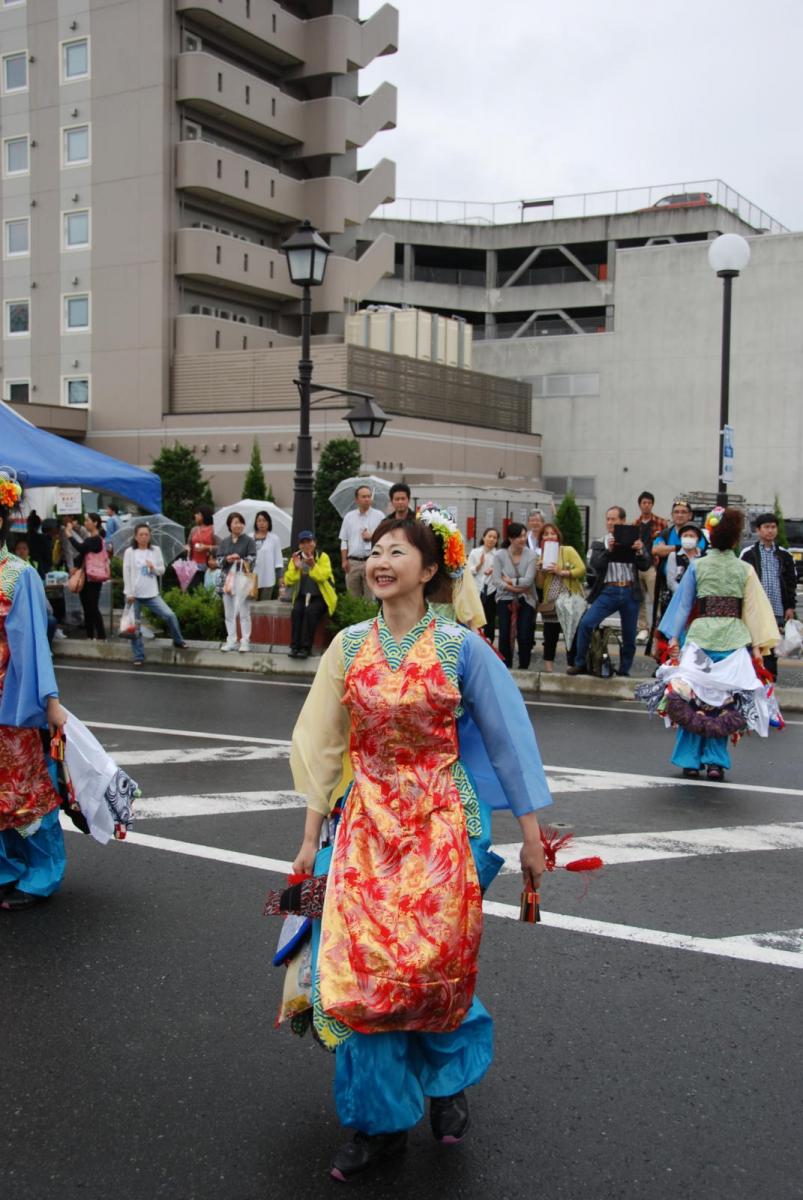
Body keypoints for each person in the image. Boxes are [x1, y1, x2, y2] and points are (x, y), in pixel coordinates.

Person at [288, 510, 550, 1182]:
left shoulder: (462, 648)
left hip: (444, 825)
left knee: (431, 966)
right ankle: (376, 1127)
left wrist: (530, 838)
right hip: (365, 826)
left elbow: (508, 741)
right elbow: (319, 745)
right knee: (363, 973)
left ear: (429, 570)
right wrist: (307, 839)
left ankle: (446, 1078)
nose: (379, 561)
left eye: (396, 551)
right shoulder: (346, 647)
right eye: (374, 550)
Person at [652, 507, 780, 781]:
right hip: (732, 638)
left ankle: (689, 759)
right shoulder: (744, 568)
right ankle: (715, 762)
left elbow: (684, 604)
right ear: (735, 542)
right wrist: (757, 647)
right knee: (725, 703)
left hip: (700, 638)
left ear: (709, 539)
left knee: (690, 697)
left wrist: (673, 637)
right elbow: (754, 611)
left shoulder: (698, 565)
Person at [0, 470, 68, 911]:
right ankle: (5, 870)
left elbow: (31, 644)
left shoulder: (16, 574)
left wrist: (49, 700)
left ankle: (39, 875)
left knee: (25, 788)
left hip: (8, 699)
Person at [568, 506, 650, 678]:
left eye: (614, 519)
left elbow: (645, 565)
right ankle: (580, 662)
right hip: (608, 590)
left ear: (623, 521)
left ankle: (624, 669)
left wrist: (640, 551)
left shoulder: (635, 540)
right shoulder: (600, 542)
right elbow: (595, 565)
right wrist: (609, 551)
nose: (610, 523)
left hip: (629, 591)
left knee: (629, 634)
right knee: (586, 623)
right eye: (608, 519)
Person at [740, 513, 798, 680]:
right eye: (766, 527)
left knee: (772, 644)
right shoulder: (748, 553)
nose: (770, 531)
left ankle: (769, 678)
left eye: (773, 527)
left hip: (777, 608)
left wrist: (790, 606)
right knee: (753, 642)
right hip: (754, 608)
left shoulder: (785, 555)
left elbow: (790, 582)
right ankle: (752, 678)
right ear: (758, 530)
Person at [123, 523, 187, 666]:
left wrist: (153, 568)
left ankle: (178, 640)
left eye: (146, 534)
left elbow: (162, 570)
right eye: (141, 534)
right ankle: (138, 655)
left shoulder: (155, 550)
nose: (144, 537)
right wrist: (129, 593)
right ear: (135, 536)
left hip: (151, 593)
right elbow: (126, 573)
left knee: (170, 615)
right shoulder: (130, 552)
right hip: (134, 594)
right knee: (135, 626)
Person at [535, 522, 586, 672]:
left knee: (571, 634)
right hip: (551, 602)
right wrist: (540, 571)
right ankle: (549, 668)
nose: (550, 536)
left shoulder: (567, 550)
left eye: (552, 533)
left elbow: (581, 569)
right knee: (549, 636)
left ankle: (571, 666)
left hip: (569, 600)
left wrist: (561, 571)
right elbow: (539, 585)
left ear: (558, 536)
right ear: (541, 539)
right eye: (546, 534)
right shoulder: (541, 556)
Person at [283, 531, 337, 658]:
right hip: (302, 595)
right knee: (296, 611)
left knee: (310, 612)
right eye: (303, 542)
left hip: (321, 596)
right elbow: (288, 580)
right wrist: (296, 568)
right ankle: (294, 647)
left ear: (314, 543)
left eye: (309, 541)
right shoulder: (296, 557)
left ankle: (306, 648)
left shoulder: (323, 557)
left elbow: (323, 576)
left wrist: (313, 565)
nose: (306, 545)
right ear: (299, 545)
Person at [493, 521, 538, 669]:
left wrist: (511, 581)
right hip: (504, 598)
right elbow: (496, 580)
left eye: (524, 535)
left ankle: (524, 666)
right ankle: (505, 667)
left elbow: (529, 580)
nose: (523, 539)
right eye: (519, 536)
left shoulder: (531, 555)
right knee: (504, 634)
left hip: (527, 598)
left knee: (524, 634)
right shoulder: (500, 555)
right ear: (511, 539)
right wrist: (514, 589)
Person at [214, 512, 256, 652]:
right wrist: (227, 559)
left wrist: (240, 559)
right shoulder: (224, 542)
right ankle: (231, 640)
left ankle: (245, 641)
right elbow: (218, 561)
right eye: (235, 522)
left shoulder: (249, 541)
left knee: (244, 613)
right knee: (229, 613)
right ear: (229, 525)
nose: (238, 525)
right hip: (227, 581)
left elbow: (253, 559)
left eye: (240, 522)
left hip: (242, 580)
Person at [633, 490, 668, 640]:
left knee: (656, 598)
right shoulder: (635, 524)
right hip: (638, 565)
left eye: (649, 503)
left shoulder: (661, 522)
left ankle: (658, 627)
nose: (646, 505)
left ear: (652, 504)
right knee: (639, 598)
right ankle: (643, 628)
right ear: (640, 505)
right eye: (644, 503)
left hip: (653, 565)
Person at [339, 486, 385, 598]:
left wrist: (372, 536)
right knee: (353, 597)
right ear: (357, 499)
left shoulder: (379, 516)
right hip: (353, 562)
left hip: (372, 560)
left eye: (369, 496)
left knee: (370, 598)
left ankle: (369, 616)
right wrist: (344, 560)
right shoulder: (349, 517)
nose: (367, 499)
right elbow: (344, 540)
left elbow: (385, 538)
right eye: (364, 497)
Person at [69, 513, 108, 641]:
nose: (85, 523)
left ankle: (101, 636)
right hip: (86, 577)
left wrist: (69, 533)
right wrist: (76, 566)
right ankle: (90, 635)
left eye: (87, 520)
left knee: (92, 606)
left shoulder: (96, 539)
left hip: (94, 578)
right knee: (86, 606)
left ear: (95, 523)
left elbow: (80, 548)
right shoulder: (90, 539)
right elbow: (81, 555)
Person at [467, 527, 499, 640]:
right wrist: (479, 565)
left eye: (494, 537)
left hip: (491, 590)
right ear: (484, 537)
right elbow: (468, 572)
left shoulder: (498, 555)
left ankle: (490, 642)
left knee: (490, 618)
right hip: (476, 590)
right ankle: (475, 640)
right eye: (489, 536)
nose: (491, 539)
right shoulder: (475, 552)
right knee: (475, 617)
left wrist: (494, 571)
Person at [666, 522, 705, 595]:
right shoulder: (674, 556)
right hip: (679, 596)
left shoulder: (703, 557)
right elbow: (671, 582)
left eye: (691, 536)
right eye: (685, 536)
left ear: (698, 539)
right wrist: (685, 593)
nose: (688, 538)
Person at [253, 510, 284, 601]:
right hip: (251, 578)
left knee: (264, 605)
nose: (262, 523)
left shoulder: (274, 538)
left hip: (268, 577)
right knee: (250, 606)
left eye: (264, 520)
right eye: (259, 520)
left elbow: (278, 559)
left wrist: (280, 576)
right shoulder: (249, 537)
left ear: (269, 523)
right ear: (256, 523)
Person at [186, 505, 217, 591]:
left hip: (209, 566)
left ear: (204, 515)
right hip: (194, 566)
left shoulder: (213, 529)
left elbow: (221, 547)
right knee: (194, 590)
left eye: (198, 514)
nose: (195, 516)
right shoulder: (194, 530)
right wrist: (187, 548)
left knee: (208, 591)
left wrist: (206, 547)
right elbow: (189, 544)